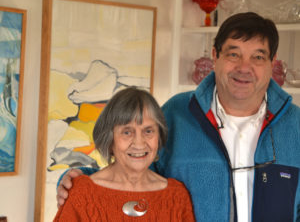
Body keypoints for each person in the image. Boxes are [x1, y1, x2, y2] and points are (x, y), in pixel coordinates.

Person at [56, 12, 300, 222]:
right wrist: (82, 182)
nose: (244, 67)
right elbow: (136, 167)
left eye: (257, 57)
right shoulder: (177, 114)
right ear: (215, 56)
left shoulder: (296, 126)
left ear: (272, 63)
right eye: (234, 54)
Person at [54, 87, 195, 221]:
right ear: (109, 138)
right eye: (127, 132)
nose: (139, 143)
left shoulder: (176, 196)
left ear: (159, 136)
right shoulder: (82, 194)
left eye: (148, 131)